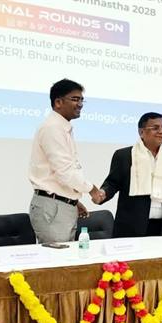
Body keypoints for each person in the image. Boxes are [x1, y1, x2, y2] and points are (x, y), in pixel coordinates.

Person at [28, 79, 104, 243]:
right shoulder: (52, 128)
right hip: (53, 208)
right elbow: (65, 172)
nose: (80, 104)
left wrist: (72, 201)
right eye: (75, 99)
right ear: (58, 102)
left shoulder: (61, 127)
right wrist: (92, 189)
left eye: (82, 100)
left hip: (59, 205)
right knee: (57, 257)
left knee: (66, 256)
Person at [99, 112, 162, 237]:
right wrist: (103, 193)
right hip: (131, 226)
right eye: (155, 128)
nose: (161, 131)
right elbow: (112, 183)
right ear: (141, 132)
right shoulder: (124, 155)